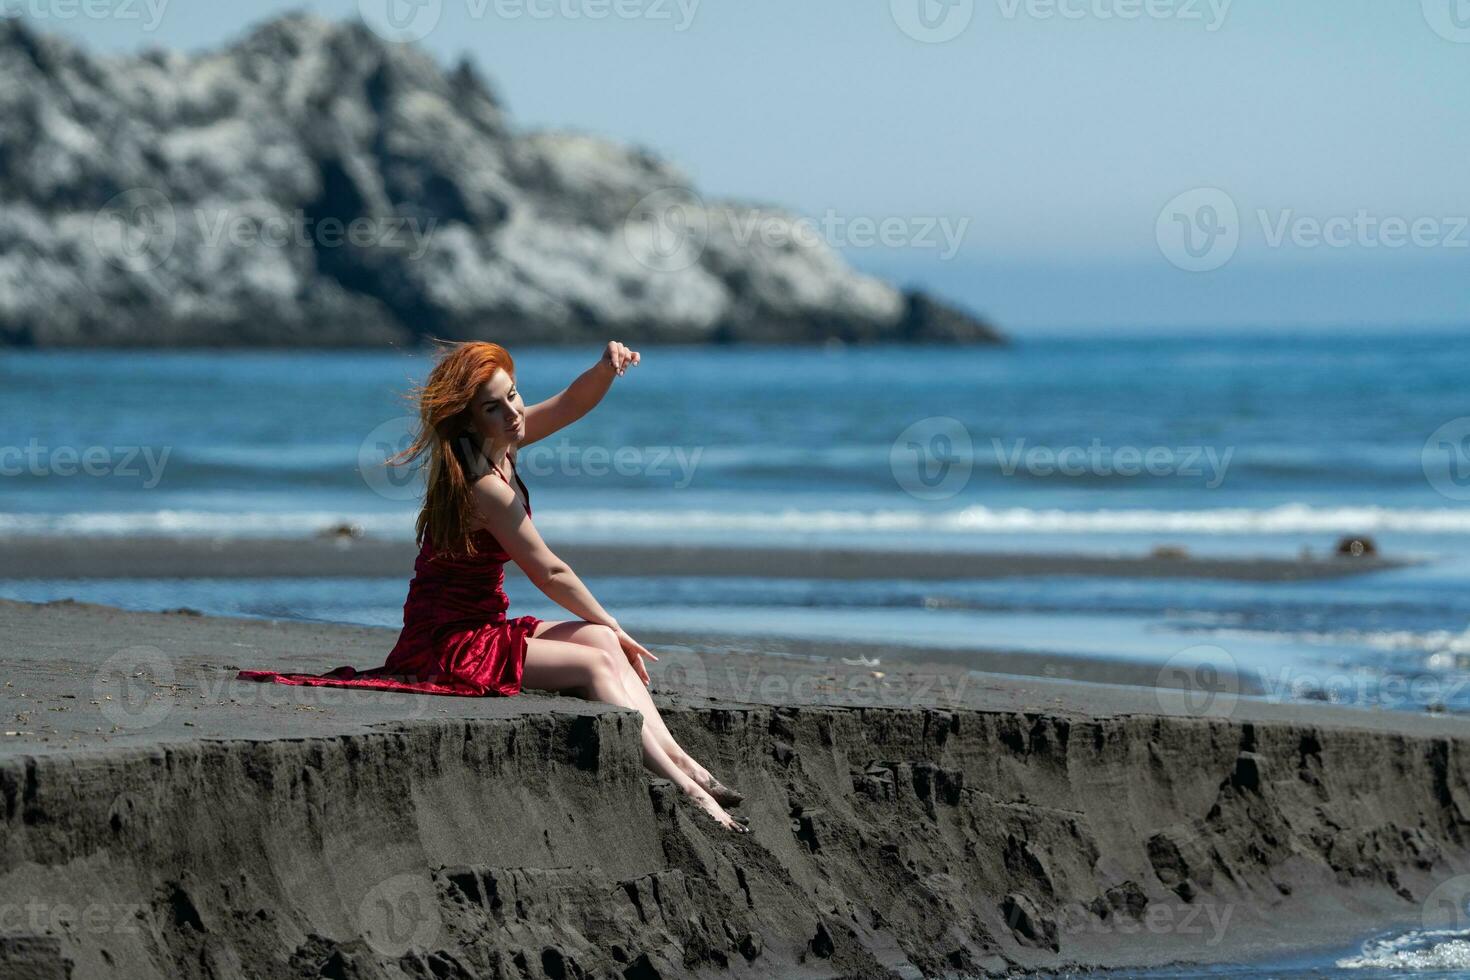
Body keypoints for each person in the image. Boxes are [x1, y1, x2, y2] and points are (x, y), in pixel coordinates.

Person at [238, 339, 748, 833]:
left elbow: (570, 404)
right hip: (449, 647)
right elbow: (549, 572)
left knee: (602, 642)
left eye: (513, 394)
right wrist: (612, 619)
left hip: (482, 627)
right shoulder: (483, 486)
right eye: (493, 407)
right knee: (598, 656)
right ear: (468, 420)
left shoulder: (504, 440)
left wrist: (604, 368)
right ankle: (687, 789)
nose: (512, 412)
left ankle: (686, 762)